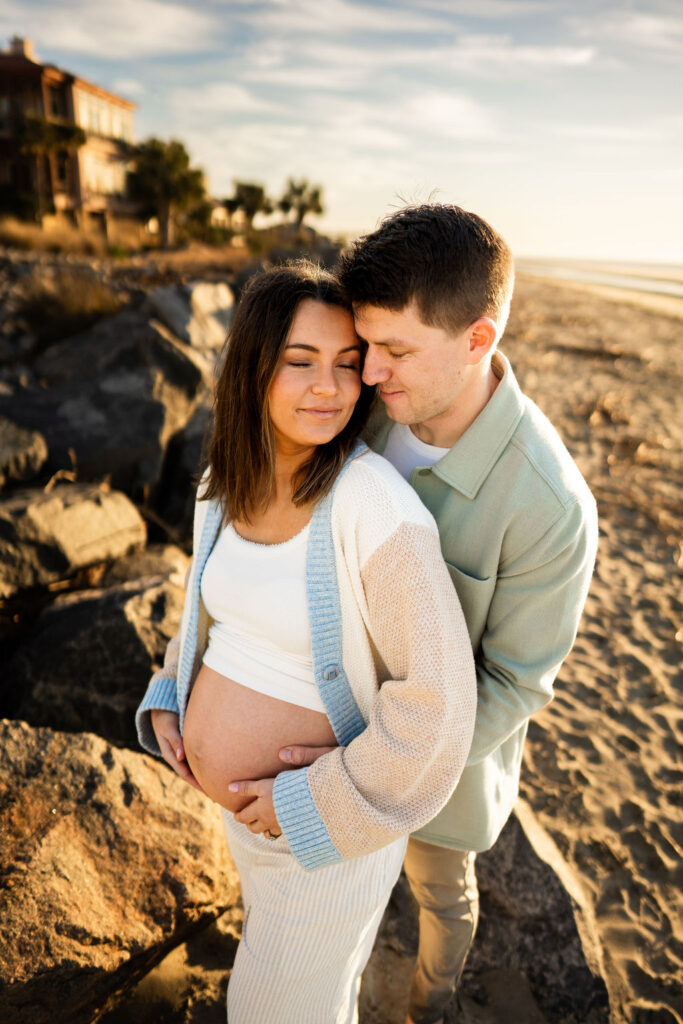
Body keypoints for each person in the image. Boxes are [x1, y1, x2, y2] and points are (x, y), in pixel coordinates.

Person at [272, 206, 598, 1024]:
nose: (367, 373)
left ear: (478, 339)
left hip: (436, 775)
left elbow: (516, 684)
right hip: (313, 726)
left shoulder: (552, 508)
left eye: (394, 351)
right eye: (363, 345)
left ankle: (432, 999)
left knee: (440, 894)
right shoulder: (366, 408)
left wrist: (380, 765)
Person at [135, 260, 477, 1024]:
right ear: (254, 368)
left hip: (324, 841)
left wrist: (313, 803)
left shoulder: (371, 507)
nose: (329, 386)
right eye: (300, 363)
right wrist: (171, 692)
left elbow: (441, 704)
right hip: (245, 822)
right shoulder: (221, 480)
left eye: (347, 366)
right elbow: (209, 613)